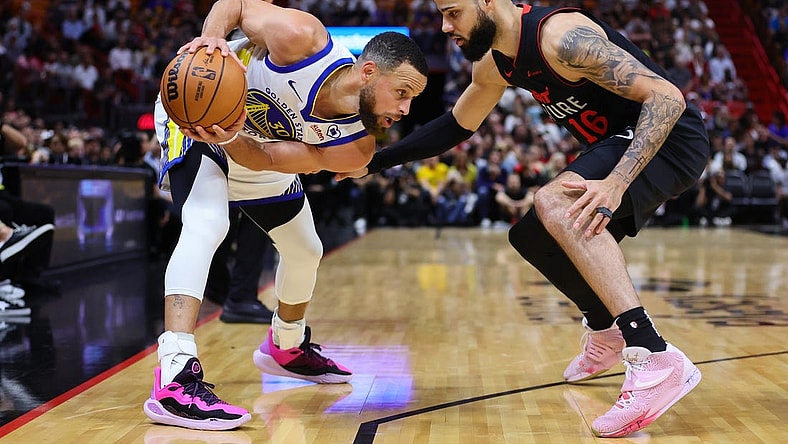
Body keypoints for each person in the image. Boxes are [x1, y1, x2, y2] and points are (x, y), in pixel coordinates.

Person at [339, 1, 709, 438]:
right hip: (614, 143)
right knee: (532, 236)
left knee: (553, 202)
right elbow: (457, 125)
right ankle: (606, 332)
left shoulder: (560, 37)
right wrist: (375, 163)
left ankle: (653, 353)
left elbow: (667, 96)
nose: (444, 26)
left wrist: (615, 183)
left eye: (453, 11)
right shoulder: (494, 62)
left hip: (668, 139)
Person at [146, 0, 428, 431]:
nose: (405, 110)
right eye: (402, 93)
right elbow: (234, 4)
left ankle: (286, 347)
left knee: (304, 248)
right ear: (368, 72)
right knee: (208, 223)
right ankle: (174, 376)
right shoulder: (303, 40)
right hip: (194, 113)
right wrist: (213, 38)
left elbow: (264, 157)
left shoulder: (356, 145)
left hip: (246, 141)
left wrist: (233, 134)